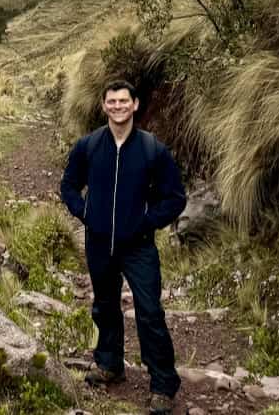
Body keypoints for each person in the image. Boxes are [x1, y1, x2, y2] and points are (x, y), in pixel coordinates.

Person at [59, 79, 187, 415]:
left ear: (135, 105)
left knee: (150, 311)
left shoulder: (152, 149)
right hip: (99, 243)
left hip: (139, 246)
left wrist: (146, 222)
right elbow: (68, 186)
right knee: (104, 305)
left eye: (123, 101)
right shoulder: (88, 146)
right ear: (104, 106)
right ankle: (109, 364)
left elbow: (175, 198)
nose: (118, 106)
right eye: (112, 102)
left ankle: (163, 385)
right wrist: (85, 212)